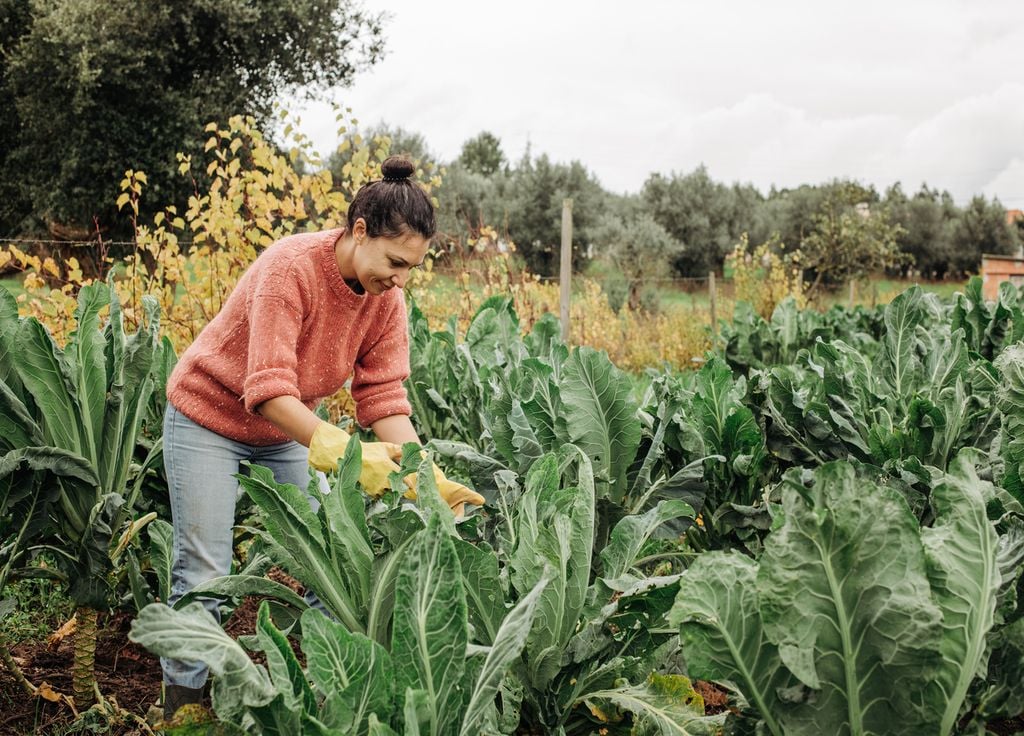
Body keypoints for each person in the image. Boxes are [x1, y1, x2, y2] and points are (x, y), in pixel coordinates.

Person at [158, 155, 484, 719]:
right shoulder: (291, 269)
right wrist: (341, 452)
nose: (401, 278)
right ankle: (185, 712)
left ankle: (330, 704)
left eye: (412, 268)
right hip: (208, 417)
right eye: (395, 261)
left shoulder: (387, 301)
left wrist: (422, 473)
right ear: (360, 232)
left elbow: (383, 397)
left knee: (332, 564)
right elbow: (266, 389)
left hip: (286, 433)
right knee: (206, 571)